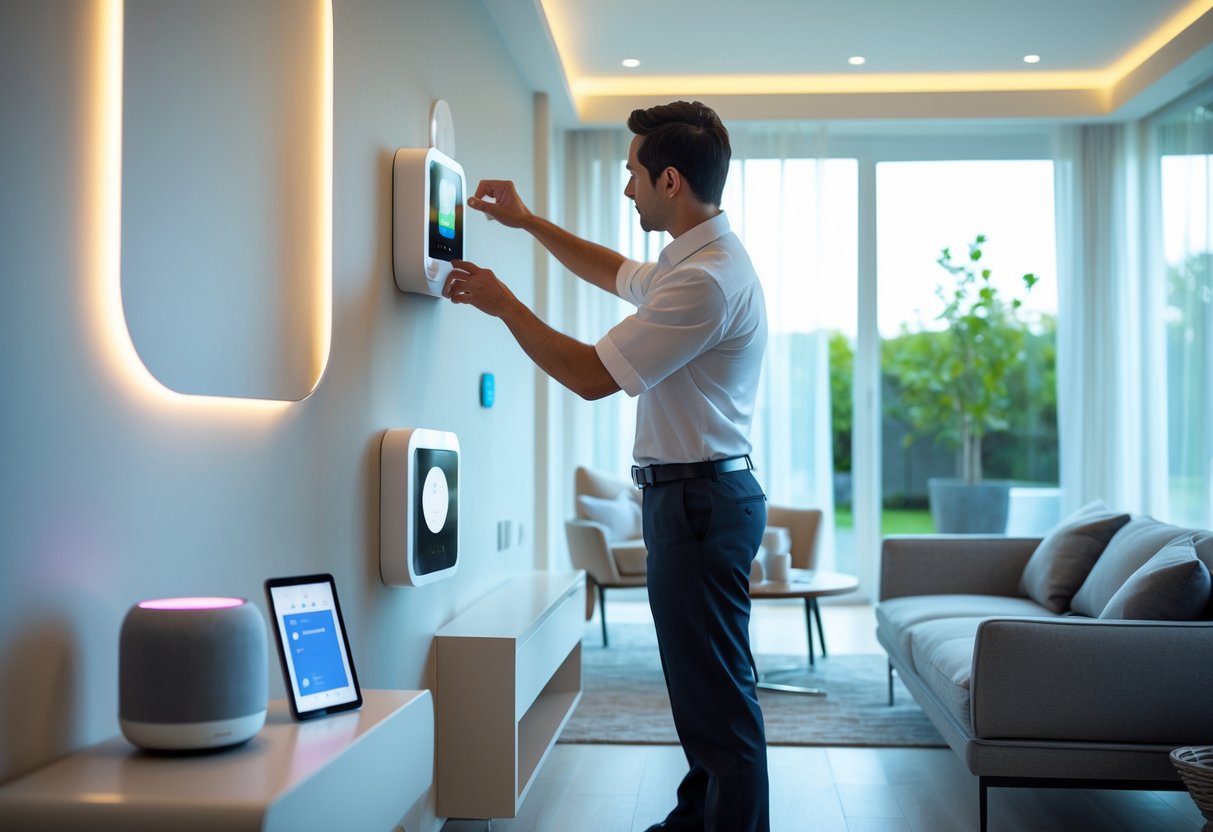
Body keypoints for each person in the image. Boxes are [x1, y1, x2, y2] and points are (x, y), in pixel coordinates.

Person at [443, 100, 769, 832]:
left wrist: (504, 305)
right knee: (703, 690)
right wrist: (526, 223)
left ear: (670, 182)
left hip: (699, 503)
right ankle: (697, 820)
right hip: (694, 499)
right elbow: (614, 271)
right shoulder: (690, 259)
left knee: (717, 699)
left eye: (632, 175)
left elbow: (592, 375)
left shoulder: (704, 282)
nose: (627, 189)